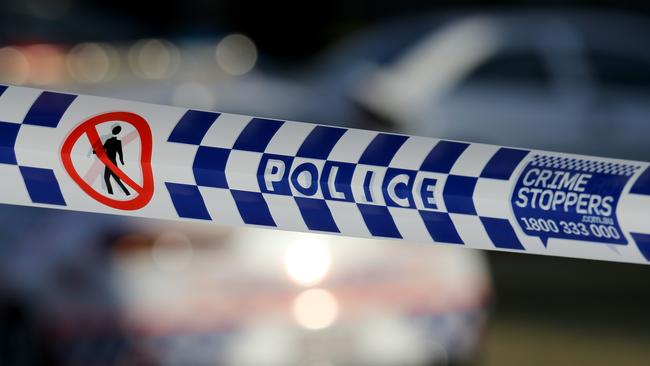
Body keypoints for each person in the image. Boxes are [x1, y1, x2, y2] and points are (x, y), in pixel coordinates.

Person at [101, 125, 130, 196]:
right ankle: (122, 192)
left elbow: (120, 152)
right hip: (109, 161)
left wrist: (121, 160)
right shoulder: (111, 141)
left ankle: (112, 193)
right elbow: (103, 148)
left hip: (111, 161)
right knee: (112, 178)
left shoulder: (116, 142)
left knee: (108, 177)